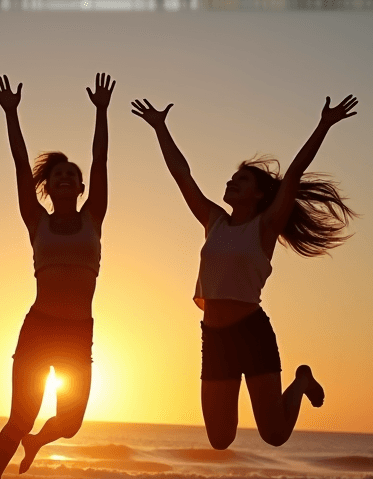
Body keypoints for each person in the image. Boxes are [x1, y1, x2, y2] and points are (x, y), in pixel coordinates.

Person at [132, 94, 358, 449]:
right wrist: (161, 128)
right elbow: (182, 175)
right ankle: (297, 383)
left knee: (275, 434)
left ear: (257, 194)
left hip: (251, 333)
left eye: (241, 180)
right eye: (231, 178)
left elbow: (294, 175)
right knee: (220, 440)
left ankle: (300, 382)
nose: (231, 183)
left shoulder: (266, 227)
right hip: (215, 338)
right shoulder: (214, 221)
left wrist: (324, 125)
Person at [0, 73, 114, 479]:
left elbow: (100, 158)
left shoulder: (95, 217)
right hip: (39, 328)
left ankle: (39, 442)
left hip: (78, 333)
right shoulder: (36, 221)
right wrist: (11, 114)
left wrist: (101, 111)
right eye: (58, 176)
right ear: (49, 188)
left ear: (80, 188)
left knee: (69, 425)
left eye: (72, 177)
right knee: (19, 417)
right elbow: (19, 164)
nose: (67, 179)